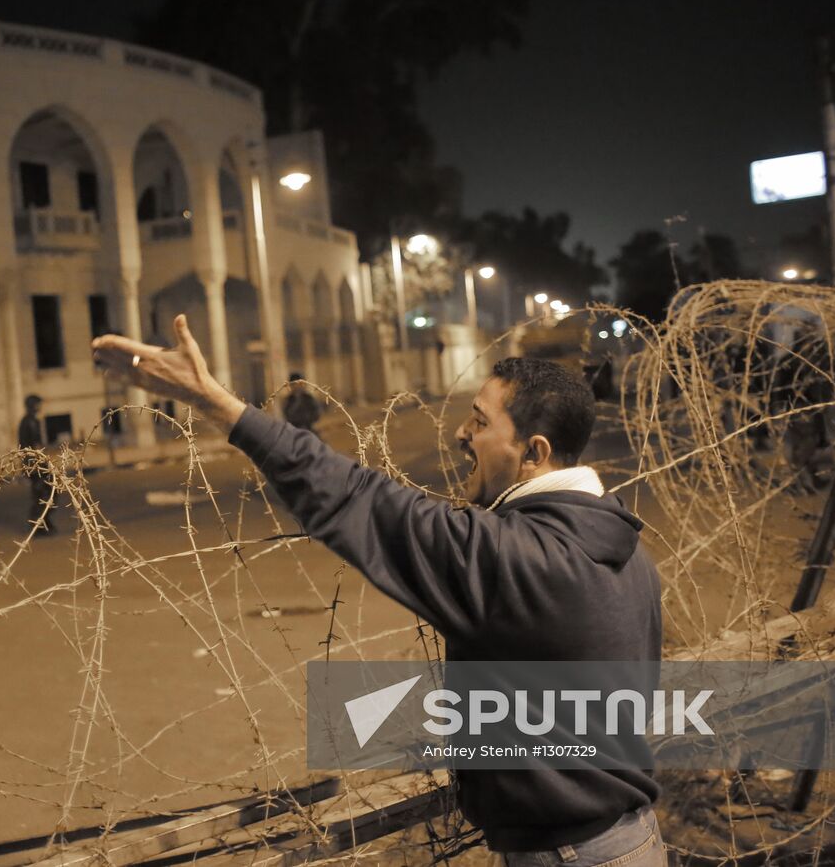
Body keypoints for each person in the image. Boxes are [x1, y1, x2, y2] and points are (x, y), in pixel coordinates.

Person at [93, 315, 665, 865]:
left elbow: (358, 498)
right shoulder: (625, 547)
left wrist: (215, 401)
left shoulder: (515, 557)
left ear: (534, 452)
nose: (462, 433)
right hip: (627, 839)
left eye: (481, 421)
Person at [16, 394, 55, 533]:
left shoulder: (29, 421)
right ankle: (39, 525)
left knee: (46, 493)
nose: (40, 407)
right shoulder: (29, 422)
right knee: (43, 494)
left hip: (35, 463)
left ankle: (44, 523)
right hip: (35, 464)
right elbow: (33, 445)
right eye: (38, 404)